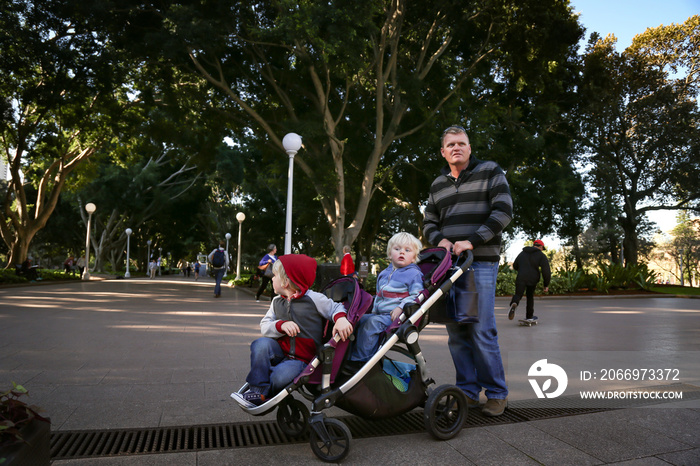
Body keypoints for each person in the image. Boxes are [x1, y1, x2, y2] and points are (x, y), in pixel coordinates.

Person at [423, 125, 513, 417]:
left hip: (481, 263)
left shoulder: (490, 171)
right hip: (449, 267)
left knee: (481, 329)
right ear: (443, 151)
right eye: (450, 144)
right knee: (456, 331)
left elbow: (503, 212)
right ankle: (469, 392)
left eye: (461, 143)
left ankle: (497, 393)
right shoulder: (438, 184)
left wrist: (471, 241)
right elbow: (429, 224)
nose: (456, 148)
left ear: (470, 148)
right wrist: (443, 241)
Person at [232, 254, 353, 406]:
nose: (272, 278)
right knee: (260, 344)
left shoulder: (314, 299)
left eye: (275, 276)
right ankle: (258, 391)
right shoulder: (277, 301)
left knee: (278, 377)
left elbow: (335, 307)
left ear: (286, 282)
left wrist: (340, 318)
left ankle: (268, 389)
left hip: (302, 359)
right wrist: (280, 325)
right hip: (280, 351)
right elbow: (264, 326)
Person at [350, 232, 423, 362]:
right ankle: (348, 354)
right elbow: (379, 296)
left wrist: (401, 307)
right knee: (358, 320)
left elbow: (417, 295)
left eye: (407, 250)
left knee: (371, 324)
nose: (402, 253)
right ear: (390, 254)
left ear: (413, 257)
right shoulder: (384, 274)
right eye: (397, 249)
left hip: (396, 317)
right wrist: (372, 311)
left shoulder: (414, 274)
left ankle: (361, 361)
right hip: (379, 314)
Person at [509, 239, 551, 323]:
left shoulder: (522, 253)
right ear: (541, 247)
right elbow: (546, 271)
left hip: (521, 277)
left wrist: (521, 270)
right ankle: (529, 316)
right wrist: (546, 284)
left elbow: (515, 265)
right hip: (533, 278)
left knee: (518, 294)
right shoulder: (541, 255)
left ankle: (514, 303)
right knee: (530, 296)